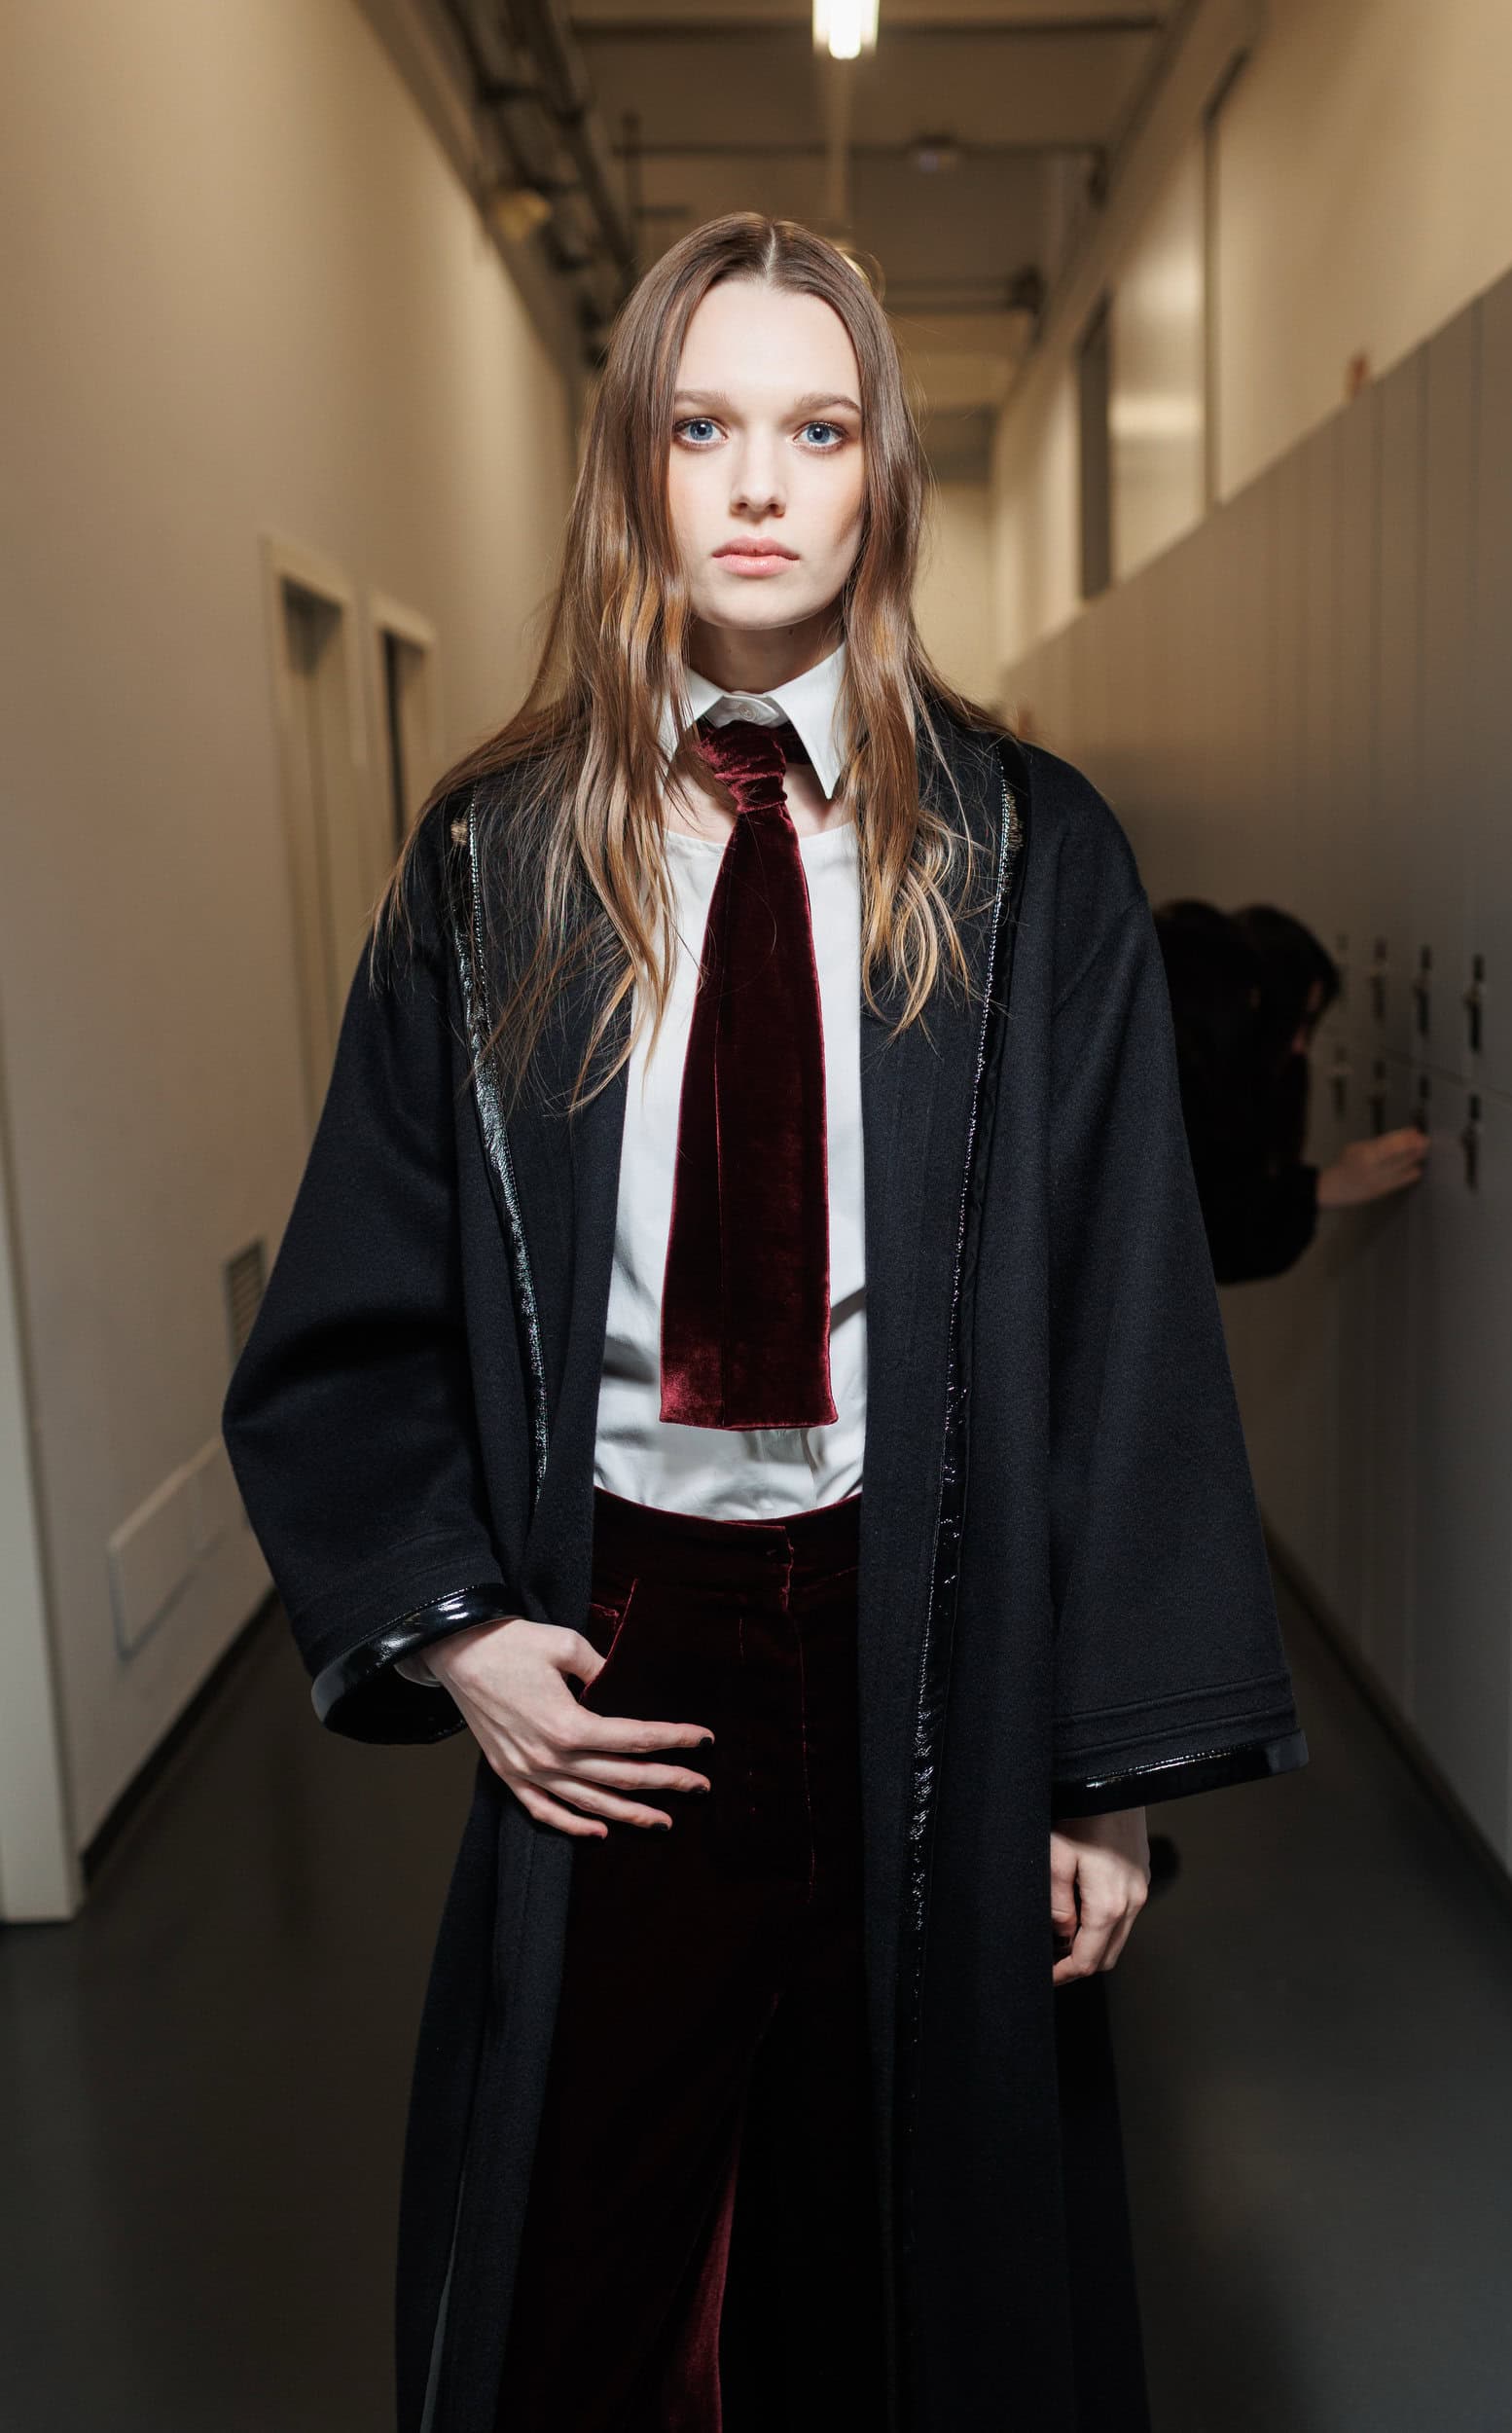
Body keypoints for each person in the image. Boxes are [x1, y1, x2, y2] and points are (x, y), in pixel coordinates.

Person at [222, 212, 1308, 2433]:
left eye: (816, 432)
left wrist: (1097, 1774)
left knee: (897, 2264)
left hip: (929, 1634)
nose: (755, 485)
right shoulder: (496, 862)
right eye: (701, 426)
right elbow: (361, 1286)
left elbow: (1124, 1324)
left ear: (880, 473)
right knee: (587, 2265)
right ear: (631, 462)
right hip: (617, 1637)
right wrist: (457, 1631)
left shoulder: (1025, 857)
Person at [1154, 898, 1428, 1286]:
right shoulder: (1174, 1082)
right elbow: (1201, 1235)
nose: (1301, 1046)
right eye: (1295, 1021)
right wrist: (1322, 1188)